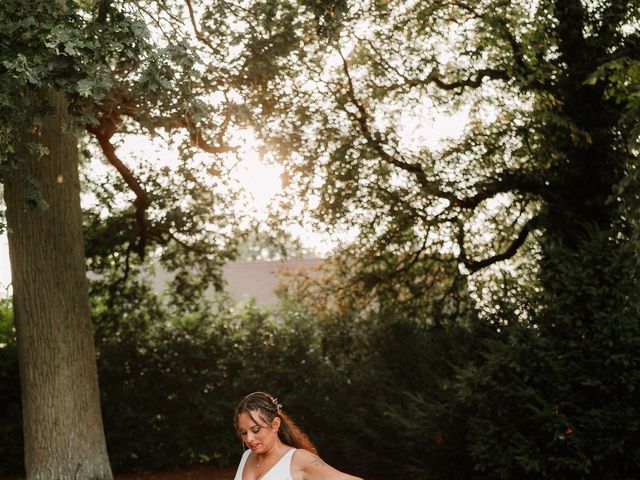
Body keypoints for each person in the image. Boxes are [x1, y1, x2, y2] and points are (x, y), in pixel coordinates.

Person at [233, 391, 363, 480]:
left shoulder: (298, 459)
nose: (249, 439)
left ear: (275, 424)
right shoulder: (247, 456)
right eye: (243, 432)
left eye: (256, 430)